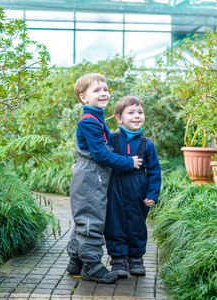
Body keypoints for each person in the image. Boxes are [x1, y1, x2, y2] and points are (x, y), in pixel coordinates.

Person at [66, 73, 142, 284]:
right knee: (91, 220)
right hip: (90, 178)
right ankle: (91, 265)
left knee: (85, 219)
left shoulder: (96, 117)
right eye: (97, 90)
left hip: (93, 177)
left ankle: (76, 261)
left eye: (105, 89)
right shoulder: (89, 121)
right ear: (83, 98)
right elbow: (100, 154)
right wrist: (129, 162)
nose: (103, 93)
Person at [104, 96, 161, 278]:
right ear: (119, 118)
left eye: (140, 112)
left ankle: (136, 258)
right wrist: (78, 163)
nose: (137, 116)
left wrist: (152, 193)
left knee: (137, 224)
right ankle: (118, 259)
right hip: (115, 188)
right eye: (131, 112)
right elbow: (98, 154)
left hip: (138, 189)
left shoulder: (147, 144)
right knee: (115, 223)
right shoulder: (112, 140)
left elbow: (154, 172)